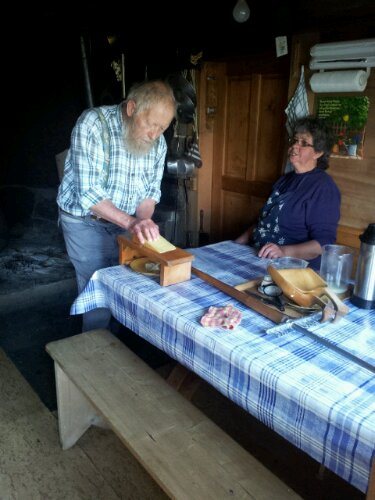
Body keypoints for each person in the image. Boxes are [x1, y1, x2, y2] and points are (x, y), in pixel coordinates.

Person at [57, 79, 176, 331]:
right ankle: (94, 352)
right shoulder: (93, 124)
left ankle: (119, 344)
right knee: (97, 285)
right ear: (131, 108)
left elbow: (149, 193)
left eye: (162, 128)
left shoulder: (158, 143)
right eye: (151, 124)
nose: (155, 134)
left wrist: (143, 220)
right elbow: (89, 195)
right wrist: (133, 222)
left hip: (124, 221)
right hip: (83, 222)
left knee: (126, 281)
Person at [235, 115, 340, 269]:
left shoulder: (323, 187)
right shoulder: (284, 180)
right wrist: (234, 244)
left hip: (290, 267)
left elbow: (323, 244)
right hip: (258, 255)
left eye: (304, 143)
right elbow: (263, 224)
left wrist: (283, 251)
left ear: (318, 153)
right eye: (294, 141)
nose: (295, 147)